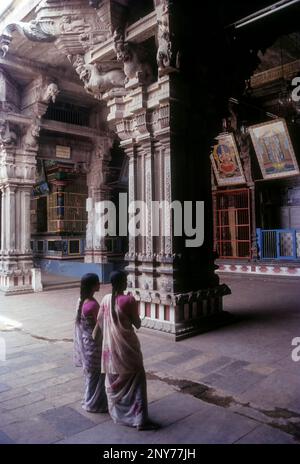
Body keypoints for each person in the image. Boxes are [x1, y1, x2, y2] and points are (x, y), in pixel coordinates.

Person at [97, 270, 159, 430]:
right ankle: (140, 420)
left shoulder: (105, 299)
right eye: (126, 280)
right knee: (137, 381)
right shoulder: (129, 300)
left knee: (114, 380)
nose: (127, 282)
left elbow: (100, 322)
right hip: (127, 348)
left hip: (111, 348)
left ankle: (120, 415)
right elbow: (137, 323)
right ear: (123, 283)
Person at [74, 273, 107, 413]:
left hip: (87, 342)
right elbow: (100, 325)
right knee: (97, 374)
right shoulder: (92, 305)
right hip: (94, 343)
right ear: (93, 286)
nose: (100, 285)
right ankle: (93, 403)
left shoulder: (83, 301)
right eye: (97, 283)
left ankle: (90, 399)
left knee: (92, 374)